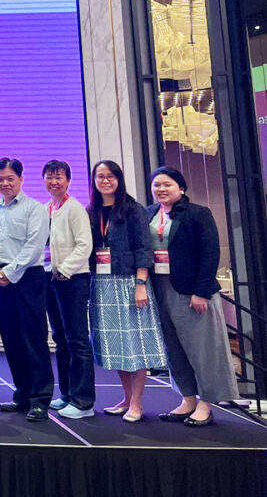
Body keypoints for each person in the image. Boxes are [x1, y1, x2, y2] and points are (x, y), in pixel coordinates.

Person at [147, 166, 237, 427]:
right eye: (157, 185)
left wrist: (201, 291)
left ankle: (206, 403)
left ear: (181, 188)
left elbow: (210, 254)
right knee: (174, 348)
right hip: (160, 288)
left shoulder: (198, 214)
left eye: (167, 184)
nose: (161, 189)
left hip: (191, 291)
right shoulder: (148, 213)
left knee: (203, 350)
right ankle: (187, 399)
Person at [87, 160, 167, 423]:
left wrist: (141, 284)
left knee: (136, 343)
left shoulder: (133, 209)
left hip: (130, 282)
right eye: (100, 176)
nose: (105, 181)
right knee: (115, 345)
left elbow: (144, 248)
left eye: (110, 176)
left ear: (119, 179)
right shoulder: (91, 211)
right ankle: (126, 397)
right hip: (102, 284)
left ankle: (137, 402)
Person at [0, 157, 53, 421]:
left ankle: (40, 399)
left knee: (33, 339)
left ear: (21, 179)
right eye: (1, 179)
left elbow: (34, 246)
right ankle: (22, 394)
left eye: (10, 178)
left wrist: (10, 273)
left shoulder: (35, 209)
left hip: (28, 278)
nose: (5, 183)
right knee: (11, 340)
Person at [42, 160, 95, 419]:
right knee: (60, 338)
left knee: (77, 340)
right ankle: (66, 394)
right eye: (49, 177)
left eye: (59, 177)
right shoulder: (48, 208)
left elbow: (85, 245)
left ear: (68, 180)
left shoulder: (75, 208)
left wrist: (65, 269)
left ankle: (84, 402)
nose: (54, 182)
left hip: (73, 279)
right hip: (51, 279)